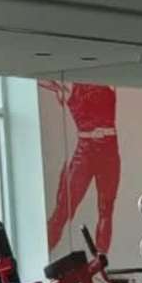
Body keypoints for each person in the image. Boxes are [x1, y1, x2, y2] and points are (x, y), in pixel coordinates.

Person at [41, 81, 121, 254]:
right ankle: (43, 252)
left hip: (109, 149)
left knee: (106, 209)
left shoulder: (107, 82)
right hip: (86, 149)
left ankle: (101, 261)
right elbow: (39, 79)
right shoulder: (70, 85)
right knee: (64, 209)